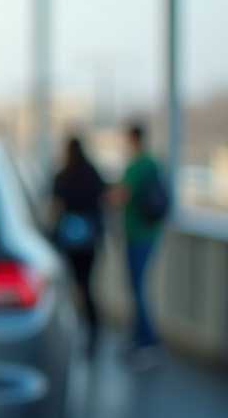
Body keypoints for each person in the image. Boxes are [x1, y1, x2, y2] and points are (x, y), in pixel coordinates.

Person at [111, 123, 166, 368]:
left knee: (136, 288)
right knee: (137, 287)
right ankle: (138, 337)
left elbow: (121, 195)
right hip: (151, 233)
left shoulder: (135, 165)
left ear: (132, 138)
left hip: (137, 235)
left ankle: (149, 343)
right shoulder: (152, 163)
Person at [51, 136, 107, 357]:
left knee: (71, 287)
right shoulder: (92, 173)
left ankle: (71, 332)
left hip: (68, 241)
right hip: (89, 241)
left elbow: (55, 207)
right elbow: (103, 200)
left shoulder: (62, 176)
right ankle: (94, 335)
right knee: (87, 285)